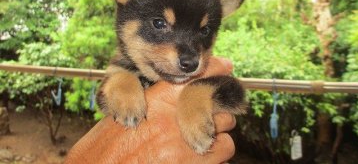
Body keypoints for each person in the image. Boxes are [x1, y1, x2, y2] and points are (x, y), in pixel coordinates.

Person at [65, 57, 237, 164]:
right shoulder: (128, 65)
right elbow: (105, 99)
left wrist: (195, 101)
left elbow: (235, 99)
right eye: (159, 24)